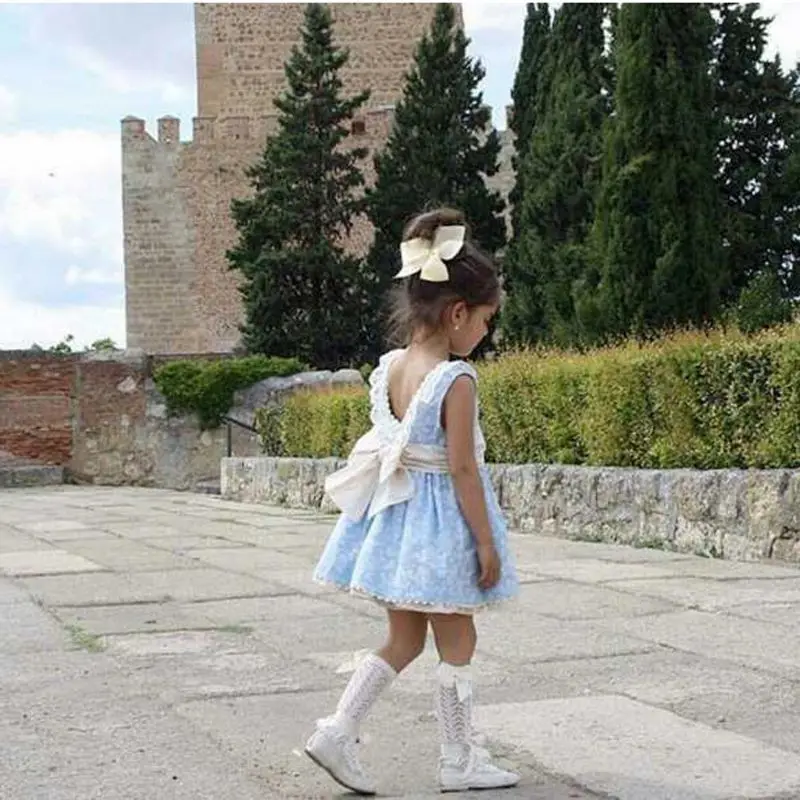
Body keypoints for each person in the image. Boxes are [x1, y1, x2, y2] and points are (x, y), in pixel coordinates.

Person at [304, 208, 520, 795]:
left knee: (403, 639)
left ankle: (338, 729)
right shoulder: (455, 379)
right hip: (440, 529)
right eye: (485, 321)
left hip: (397, 523)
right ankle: (458, 759)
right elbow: (462, 468)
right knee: (459, 640)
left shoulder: (391, 368)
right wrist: (484, 542)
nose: (484, 334)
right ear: (458, 313)